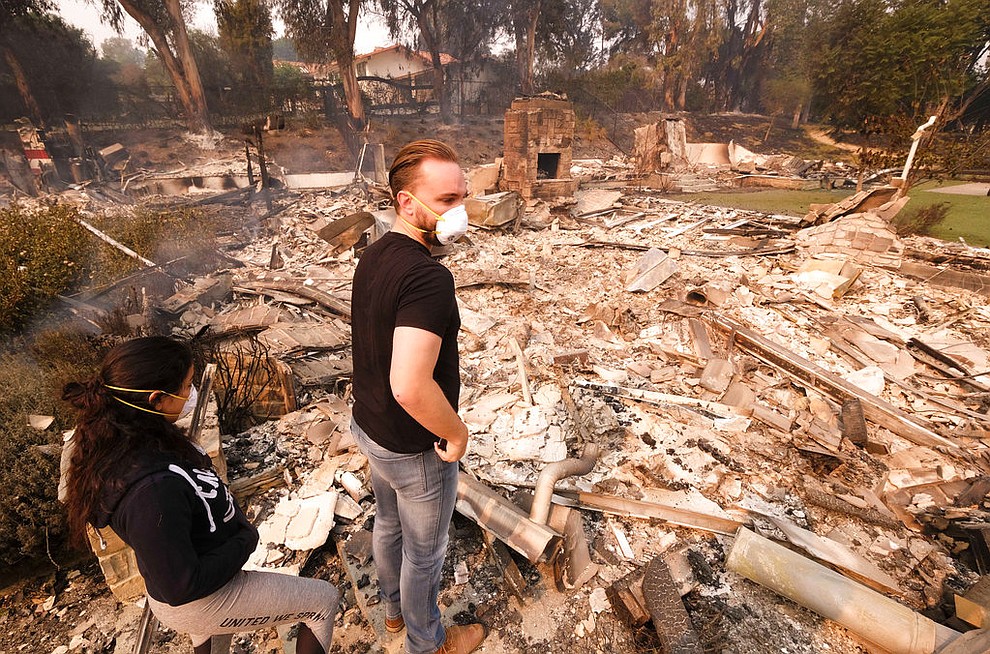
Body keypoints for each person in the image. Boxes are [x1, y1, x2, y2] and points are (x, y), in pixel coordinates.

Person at [62, 336, 339, 654]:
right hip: (199, 599)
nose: (191, 394)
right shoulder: (150, 492)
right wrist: (244, 540)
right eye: (186, 386)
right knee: (321, 601)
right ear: (156, 399)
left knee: (214, 633)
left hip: (200, 579)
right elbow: (181, 585)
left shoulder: (135, 435)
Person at [350, 140, 486, 654]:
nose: (460, 211)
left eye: (463, 196)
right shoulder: (429, 278)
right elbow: (409, 385)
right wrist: (455, 431)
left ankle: (390, 613)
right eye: (448, 199)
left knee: (387, 523)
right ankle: (425, 644)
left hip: (370, 428)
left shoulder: (375, 252)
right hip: (413, 448)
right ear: (408, 203)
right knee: (424, 556)